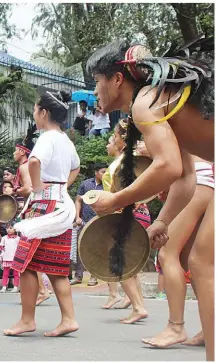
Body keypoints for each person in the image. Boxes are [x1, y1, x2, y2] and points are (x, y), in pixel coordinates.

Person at [86, 39, 214, 360]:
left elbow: (167, 166)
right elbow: (184, 176)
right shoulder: (159, 100)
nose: (95, 92)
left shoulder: (145, 101)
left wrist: (116, 200)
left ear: (116, 79)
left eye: (97, 82)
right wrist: (162, 220)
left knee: (201, 263)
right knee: (198, 262)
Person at [3, 90, 80, 338]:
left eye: (36, 110)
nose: (34, 115)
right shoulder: (66, 140)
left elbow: (33, 162)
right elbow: (77, 167)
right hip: (61, 204)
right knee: (57, 268)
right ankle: (68, 319)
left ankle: (27, 320)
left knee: (24, 264)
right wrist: (63, 186)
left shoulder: (47, 138)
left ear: (44, 113)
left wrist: (36, 187)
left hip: (44, 206)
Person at [142, 156, 213, 348]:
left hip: (196, 180)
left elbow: (169, 162)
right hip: (207, 180)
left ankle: (176, 327)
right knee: (193, 262)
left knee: (167, 253)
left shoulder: (157, 126)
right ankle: (210, 328)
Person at [99, 122, 151, 323]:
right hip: (130, 211)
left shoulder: (131, 160)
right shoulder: (127, 159)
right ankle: (139, 305)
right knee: (129, 263)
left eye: (114, 136)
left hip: (127, 213)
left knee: (120, 261)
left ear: (122, 139)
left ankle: (138, 307)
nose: (111, 141)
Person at [71, 163, 107, 286]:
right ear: (96, 172)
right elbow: (78, 200)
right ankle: (78, 276)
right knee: (81, 248)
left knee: (96, 249)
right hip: (84, 221)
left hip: (100, 222)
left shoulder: (108, 185)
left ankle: (94, 276)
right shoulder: (85, 184)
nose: (105, 174)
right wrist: (77, 216)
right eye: (103, 172)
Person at [0, 225, 20, 293]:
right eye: (7, 228)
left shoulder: (18, 238)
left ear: (15, 229)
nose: (8, 230)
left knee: (16, 273)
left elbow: (19, 249)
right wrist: (0, 256)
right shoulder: (4, 238)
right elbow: (1, 248)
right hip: (6, 257)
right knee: (5, 273)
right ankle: (4, 286)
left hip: (15, 258)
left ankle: (16, 286)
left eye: (11, 228)